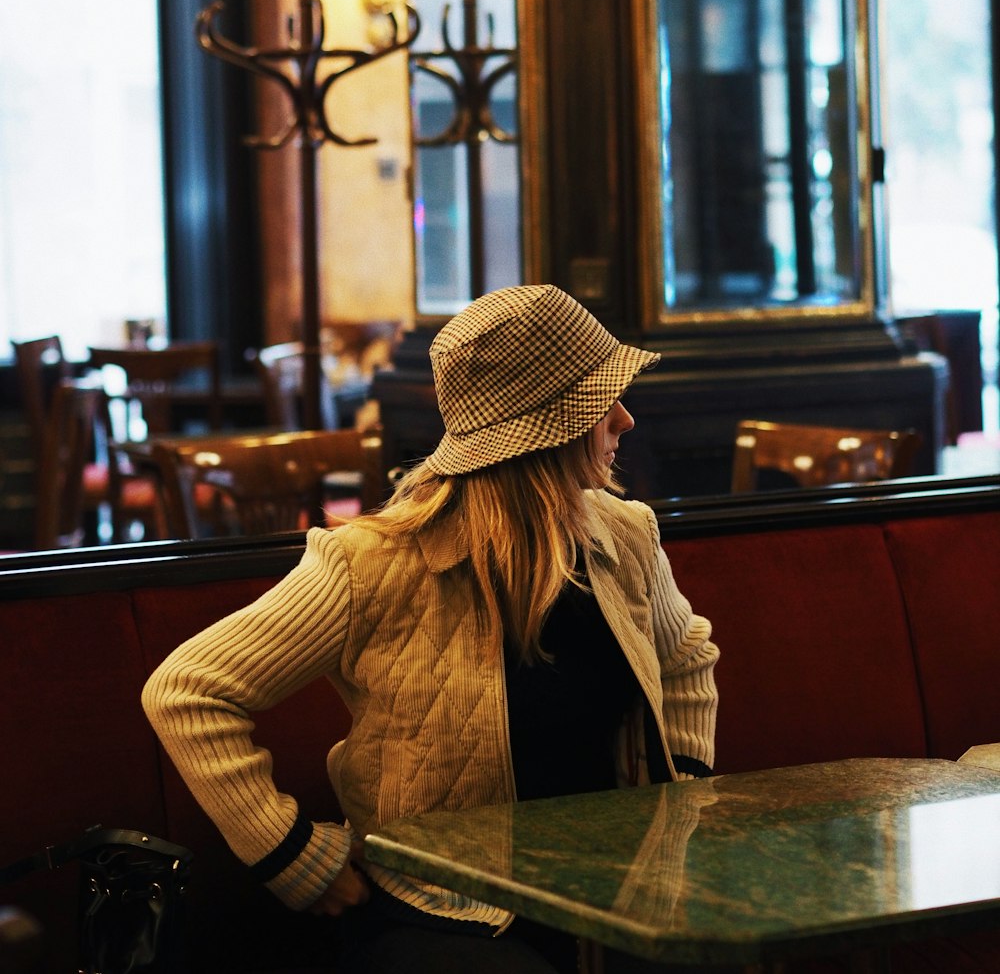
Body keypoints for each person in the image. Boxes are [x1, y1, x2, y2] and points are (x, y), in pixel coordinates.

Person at [142, 284, 719, 973]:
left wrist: (678, 804)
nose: (625, 419)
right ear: (542, 431)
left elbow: (686, 656)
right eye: (600, 402)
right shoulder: (370, 563)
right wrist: (297, 856)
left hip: (610, 894)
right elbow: (185, 690)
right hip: (444, 908)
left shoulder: (626, 534)